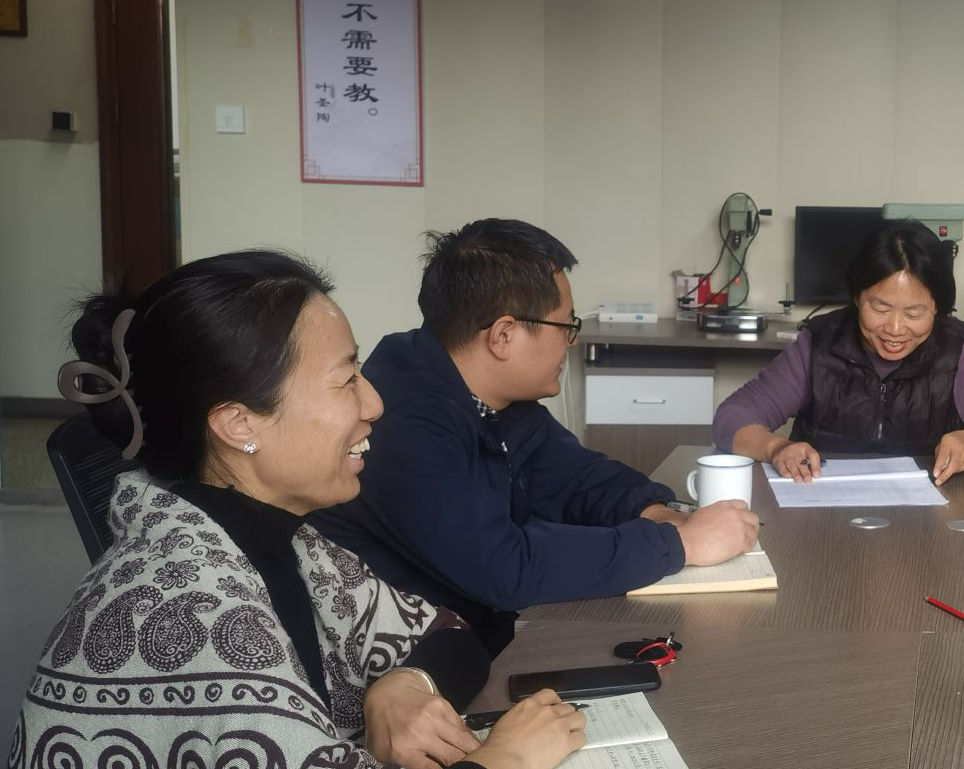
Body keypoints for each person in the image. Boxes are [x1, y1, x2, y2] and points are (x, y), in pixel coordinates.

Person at [0, 252, 587, 769]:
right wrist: (505, 763)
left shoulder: (271, 537)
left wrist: (404, 685)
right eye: (346, 379)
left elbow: (448, 637)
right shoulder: (189, 606)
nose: (374, 403)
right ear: (239, 424)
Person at [312, 220, 758, 655]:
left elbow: (578, 477)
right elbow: (503, 567)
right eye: (565, 325)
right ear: (504, 335)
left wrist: (657, 513)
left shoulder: (491, 396)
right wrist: (680, 545)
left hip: (486, 631)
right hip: (420, 664)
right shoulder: (400, 422)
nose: (571, 342)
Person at [714, 219, 964, 484]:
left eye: (914, 313)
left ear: (938, 308)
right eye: (880, 308)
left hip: (934, 526)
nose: (895, 329)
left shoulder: (961, 351)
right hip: (824, 520)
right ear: (857, 297)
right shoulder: (818, 344)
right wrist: (777, 448)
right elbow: (732, 417)